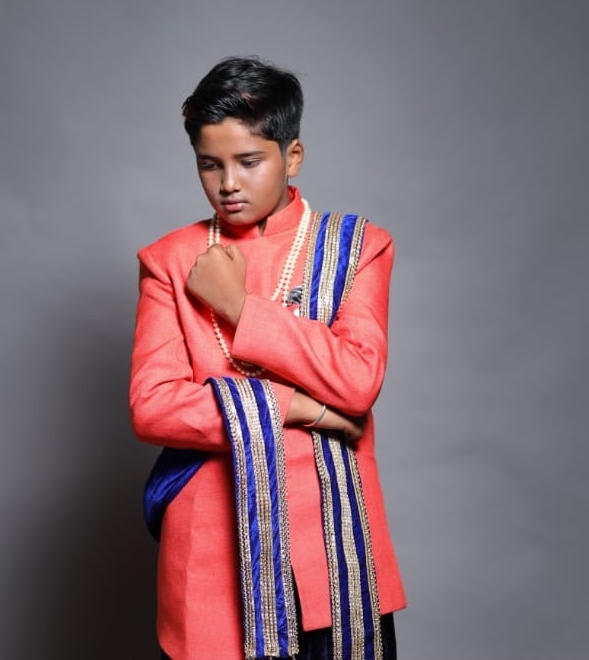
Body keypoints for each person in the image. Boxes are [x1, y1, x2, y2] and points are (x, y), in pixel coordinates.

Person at [129, 56, 406, 660]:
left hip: (333, 552)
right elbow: (153, 407)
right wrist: (301, 408)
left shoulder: (358, 248)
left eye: (249, 161)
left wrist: (238, 306)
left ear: (292, 156)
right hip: (212, 556)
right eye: (210, 164)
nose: (228, 183)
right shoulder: (169, 261)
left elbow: (358, 381)